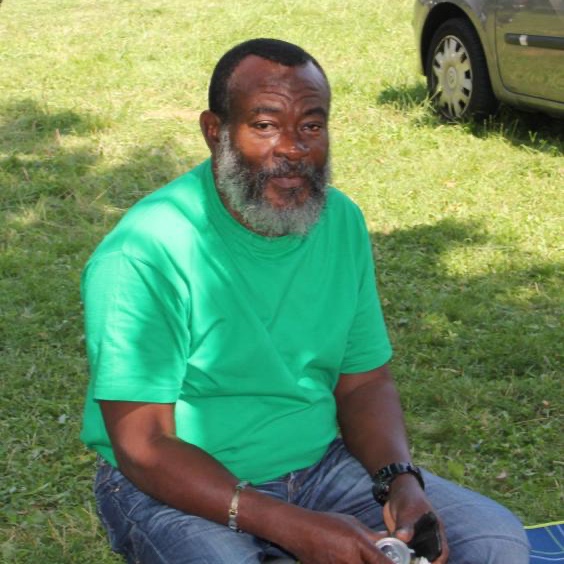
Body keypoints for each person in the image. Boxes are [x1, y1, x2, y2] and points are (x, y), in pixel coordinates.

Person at [80, 38, 530, 564]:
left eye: (311, 126)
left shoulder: (339, 221)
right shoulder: (145, 251)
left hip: (318, 468)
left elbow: (364, 381)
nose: (293, 148)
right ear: (214, 131)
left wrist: (400, 482)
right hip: (173, 485)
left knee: (494, 542)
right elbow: (144, 446)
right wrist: (292, 527)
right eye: (265, 125)